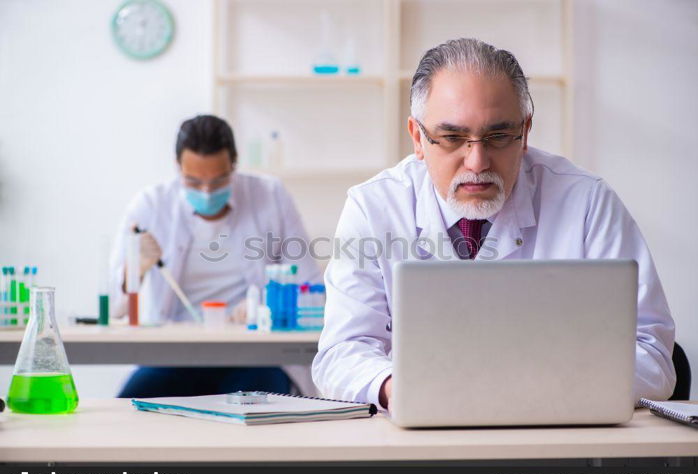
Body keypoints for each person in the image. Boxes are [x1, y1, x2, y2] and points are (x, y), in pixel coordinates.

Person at [312, 38, 676, 411]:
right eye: (453, 138)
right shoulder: (374, 207)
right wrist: (396, 389)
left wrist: (540, 388)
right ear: (418, 138)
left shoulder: (586, 202)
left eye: (498, 136)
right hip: (418, 436)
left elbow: (652, 355)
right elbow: (342, 353)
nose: (477, 162)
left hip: (558, 431)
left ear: (525, 132)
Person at [111, 115, 321, 397]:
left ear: (234, 164)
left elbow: (310, 285)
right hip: (173, 357)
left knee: (256, 416)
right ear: (177, 167)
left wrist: (265, 307)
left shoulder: (270, 195)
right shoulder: (151, 205)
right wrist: (134, 270)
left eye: (219, 180)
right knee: (130, 409)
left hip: (254, 357)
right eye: (193, 181)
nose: (207, 192)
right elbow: (115, 308)